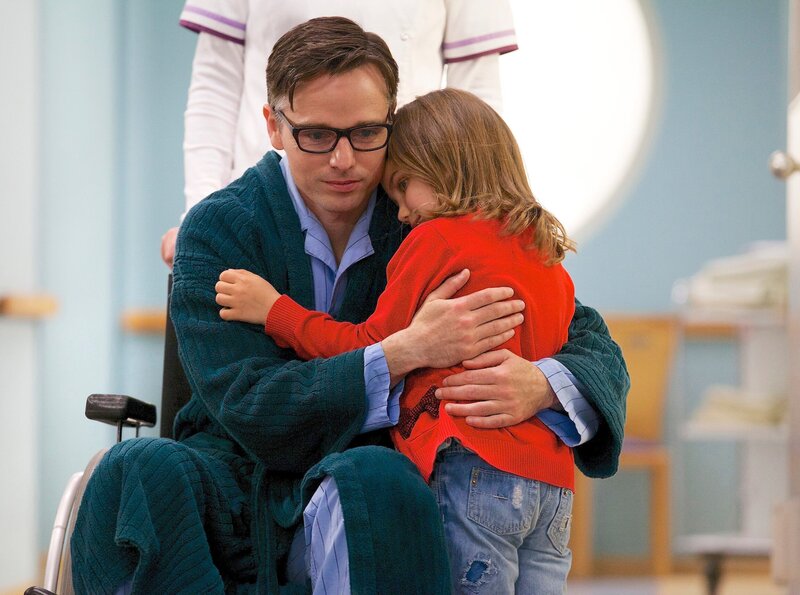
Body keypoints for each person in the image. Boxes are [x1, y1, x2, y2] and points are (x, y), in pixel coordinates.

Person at [71, 17, 628, 594]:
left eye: (365, 133)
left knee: (376, 477)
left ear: (391, 122)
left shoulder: (431, 216)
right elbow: (253, 405)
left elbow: (588, 338)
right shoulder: (217, 229)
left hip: (374, 483)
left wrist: (540, 384)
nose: (343, 159)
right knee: (135, 470)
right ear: (273, 126)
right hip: (234, 476)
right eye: (316, 134)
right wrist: (408, 351)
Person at [215, 87, 582, 593]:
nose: (403, 213)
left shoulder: (434, 241)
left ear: (444, 165)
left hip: (471, 467)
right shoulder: (547, 256)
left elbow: (368, 345)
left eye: (404, 186)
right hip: (554, 485)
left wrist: (275, 310)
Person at [161, 0, 519, 266]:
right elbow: (217, 85)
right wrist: (202, 218)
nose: (341, 161)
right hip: (265, 210)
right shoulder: (235, 220)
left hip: (398, 206)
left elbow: (474, 107)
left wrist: (474, 224)